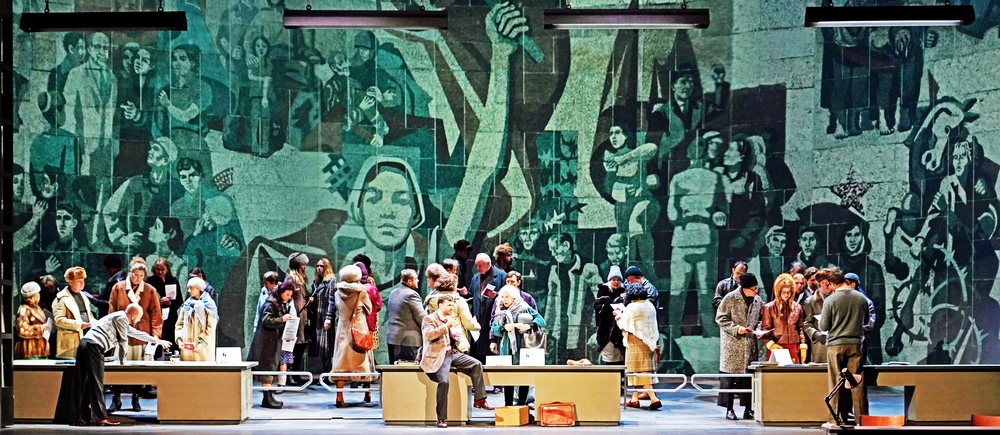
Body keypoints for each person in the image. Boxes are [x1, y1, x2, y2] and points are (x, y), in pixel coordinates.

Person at [67, 304, 172, 427]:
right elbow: (123, 340)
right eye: (139, 317)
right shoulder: (122, 318)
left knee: (80, 382)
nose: (139, 320)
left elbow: (136, 333)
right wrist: (123, 361)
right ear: (133, 316)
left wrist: (157, 341)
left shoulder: (119, 318)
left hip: (85, 343)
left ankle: (75, 417)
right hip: (94, 346)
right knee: (96, 383)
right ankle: (100, 418)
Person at [420, 294, 494, 428]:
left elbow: (448, 339)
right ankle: (441, 418)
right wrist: (445, 327)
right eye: (449, 305)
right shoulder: (429, 319)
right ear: (440, 305)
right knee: (444, 382)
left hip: (451, 353)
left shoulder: (448, 319)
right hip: (438, 356)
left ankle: (479, 400)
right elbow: (429, 335)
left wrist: (455, 338)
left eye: (453, 305)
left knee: (476, 364)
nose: (452, 307)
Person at [107, 259, 163, 412]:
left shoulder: (150, 290)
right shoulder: (118, 288)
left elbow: (156, 314)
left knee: (139, 369)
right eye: (135, 274)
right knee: (119, 369)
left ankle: (136, 399)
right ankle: (116, 399)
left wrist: (156, 335)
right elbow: (111, 311)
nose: (137, 278)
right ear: (130, 273)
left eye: (141, 276)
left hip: (141, 334)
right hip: (122, 334)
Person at [819, 267, 870, 426]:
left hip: (835, 346)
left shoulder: (830, 300)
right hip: (855, 345)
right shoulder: (861, 298)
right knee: (857, 382)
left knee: (835, 382)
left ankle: (835, 419)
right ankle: (861, 420)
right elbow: (866, 322)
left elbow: (823, 326)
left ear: (832, 284)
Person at [715, 273, 763, 421]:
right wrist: (737, 329)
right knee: (729, 378)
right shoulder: (730, 298)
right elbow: (720, 318)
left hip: (749, 344)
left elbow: (760, 319)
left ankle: (748, 409)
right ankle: (729, 409)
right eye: (754, 289)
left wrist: (758, 330)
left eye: (757, 288)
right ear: (745, 289)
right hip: (732, 344)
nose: (756, 291)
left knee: (748, 378)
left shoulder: (758, 300)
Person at [489, 285, 545, 407]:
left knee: (524, 376)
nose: (504, 300)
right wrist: (503, 328)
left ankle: (521, 405)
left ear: (514, 297)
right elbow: (493, 329)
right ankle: (508, 405)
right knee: (508, 377)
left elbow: (541, 320)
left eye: (507, 297)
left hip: (523, 347)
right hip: (506, 348)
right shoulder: (500, 311)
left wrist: (528, 326)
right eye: (503, 297)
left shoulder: (524, 307)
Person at [331, 265, 375, 408]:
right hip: (359, 331)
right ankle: (367, 394)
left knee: (341, 364)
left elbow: (338, 309)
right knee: (363, 362)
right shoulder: (361, 292)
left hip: (343, 331)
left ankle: (339, 397)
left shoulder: (338, 292)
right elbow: (369, 309)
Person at [617, 283, 662, 411]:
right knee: (638, 370)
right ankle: (634, 399)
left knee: (640, 371)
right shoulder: (649, 305)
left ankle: (654, 398)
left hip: (635, 341)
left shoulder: (632, 307)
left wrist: (618, 315)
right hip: (649, 341)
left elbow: (624, 324)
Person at [251, 281, 295, 409]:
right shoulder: (271, 304)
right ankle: (267, 398)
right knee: (267, 369)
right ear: (281, 292)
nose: (289, 298)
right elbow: (266, 320)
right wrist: (282, 319)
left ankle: (269, 396)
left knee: (270, 369)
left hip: (273, 342)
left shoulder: (279, 304)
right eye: (287, 295)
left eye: (290, 295)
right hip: (266, 343)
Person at [425, 272, 481, 355]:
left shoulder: (431, 300)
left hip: (438, 342)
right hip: (456, 342)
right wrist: (478, 327)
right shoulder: (458, 301)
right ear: (453, 286)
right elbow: (468, 323)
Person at [761, 274, 807, 364]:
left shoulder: (797, 307)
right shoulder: (769, 307)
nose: (786, 295)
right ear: (778, 292)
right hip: (777, 347)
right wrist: (771, 344)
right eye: (784, 292)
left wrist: (803, 345)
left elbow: (800, 328)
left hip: (794, 346)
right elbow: (765, 329)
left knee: (795, 372)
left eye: (788, 292)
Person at [469, 253, 506, 364]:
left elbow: (508, 297)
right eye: (476, 265)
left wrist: (496, 295)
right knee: (476, 356)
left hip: (492, 320)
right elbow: (472, 296)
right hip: (477, 322)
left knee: (491, 356)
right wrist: (465, 294)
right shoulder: (475, 278)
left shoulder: (501, 276)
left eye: (480, 265)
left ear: (488, 263)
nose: (477, 268)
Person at [175, 277, 219, 361]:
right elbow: (179, 325)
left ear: (198, 288)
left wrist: (202, 343)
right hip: (187, 351)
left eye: (191, 288)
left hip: (202, 352)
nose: (189, 290)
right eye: (188, 288)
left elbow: (211, 328)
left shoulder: (209, 305)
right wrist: (179, 340)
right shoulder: (187, 305)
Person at [386, 269, 425, 364]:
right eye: (416, 278)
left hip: (392, 338)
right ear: (409, 281)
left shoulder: (393, 292)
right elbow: (422, 317)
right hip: (407, 341)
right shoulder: (412, 295)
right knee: (407, 371)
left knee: (394, 370)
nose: (418, 280)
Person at [54, 267, 92, 360]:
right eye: (79, 281)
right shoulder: (62, 298)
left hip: (85, 338)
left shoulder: (83, 296)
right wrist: (79, 324)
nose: (82, 283)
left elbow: (88, 314)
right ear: (70, 282)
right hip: (70, 343)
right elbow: (58, 320)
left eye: (83, 280)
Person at [284, 253, 310, 386]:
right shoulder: (290, 279)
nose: (305, 267)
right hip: (295, 317)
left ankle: (295, 373)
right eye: (303, 264)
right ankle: (288, 375)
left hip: (302, 317)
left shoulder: (300, 279)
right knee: (292, 347)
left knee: (300, 347)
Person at [147, 257, 181, 356]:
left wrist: (170, 303)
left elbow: (179, 300)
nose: (160, 272)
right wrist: (159, 302)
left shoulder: (173, 280)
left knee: (170, 339)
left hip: (170, 316)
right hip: (156, 315)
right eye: (158, 269)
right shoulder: (150, 281)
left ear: (167, 269)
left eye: (162, 269)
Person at [594, 265, 626, 364]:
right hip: (607, 332)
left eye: (618, 280)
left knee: (622, 360)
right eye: (613, 279)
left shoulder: (625, 291)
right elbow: (600, 310)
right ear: (609, 280)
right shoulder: (603, 292)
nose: (616, 282)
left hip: (621, 333)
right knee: (610, 361)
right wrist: (616, 301)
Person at [309, 258, 337, 374]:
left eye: (322, 266)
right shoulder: (316, 283)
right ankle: (324, 373)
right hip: (316, 317)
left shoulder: (331, 281)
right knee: (319, 347)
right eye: (317, 266)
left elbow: (332, 300)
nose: (319, 268)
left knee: (326, 347)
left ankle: (328, 373)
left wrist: (329, 317)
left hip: (325, 317)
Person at [804, 269, 836, 363]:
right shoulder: (811, 301)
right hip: (820, 345)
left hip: (836, 341)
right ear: (819, 284)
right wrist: (815, 334)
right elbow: (807, 323)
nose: (826, 285)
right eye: (822, 283)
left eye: (828, 282)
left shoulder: (839, 299)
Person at [16, 282, 51, 359]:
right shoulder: (24, 309)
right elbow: (22, 330)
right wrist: (40, 328)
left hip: (41, 350)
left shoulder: (37, 308)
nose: (39, 295)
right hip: (31, 351)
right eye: (37, 293)